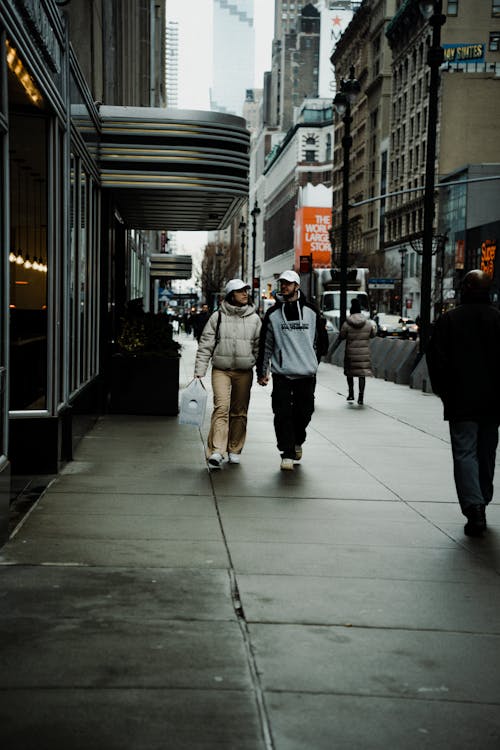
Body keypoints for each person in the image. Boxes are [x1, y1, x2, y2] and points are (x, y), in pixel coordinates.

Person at [427, 269, 500, 537]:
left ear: (465, 288)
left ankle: (474, 507)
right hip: (493, 403)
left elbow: (436, 359)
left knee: (465, 453)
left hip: (461, 401)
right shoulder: (497, 319)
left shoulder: (449, 320)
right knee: (487, 453)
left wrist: (445, 392)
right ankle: (483, 497)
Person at [256, 269, 328, 471]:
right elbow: (266, 345)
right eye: (282, 283)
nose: (284, 286)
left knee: (305, 412)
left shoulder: (312, 312)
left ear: (297, 286)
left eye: (288, 283)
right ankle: (287, 452)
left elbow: (322, 342)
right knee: (282, 414)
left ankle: (297, 441)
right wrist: (262, 372)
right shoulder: (273, 315)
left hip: (306, 374)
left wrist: (312, 361)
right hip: (282, 374)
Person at [194, 279, 261, 469]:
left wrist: (258, 366)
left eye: (246, 291)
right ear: (232, 295)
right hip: (221, 370)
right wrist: (199, 371)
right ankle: (217, 450)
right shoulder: (218, 317)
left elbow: (259, 347)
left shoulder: (255, 319)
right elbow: (206, 344)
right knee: (221, 407)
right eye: (240, 291)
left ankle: (234, 449)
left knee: (239, 412)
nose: (245, 294)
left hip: (244, 371)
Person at [340, 298, 376, 405]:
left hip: (351, 353)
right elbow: (373, 334)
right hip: (364, 354)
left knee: (350, 373)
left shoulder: (347, 323)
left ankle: (351, 393)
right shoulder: (367, 323)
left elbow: (342, 336)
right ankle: (361, 396)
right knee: (362, 375)